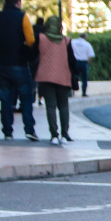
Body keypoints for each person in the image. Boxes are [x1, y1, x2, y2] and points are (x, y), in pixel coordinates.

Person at [0, 0, 37, 140]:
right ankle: (29, 129)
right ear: (18, 2)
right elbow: (31, 40)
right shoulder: (22, 17)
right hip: (19, 63)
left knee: (5, 99)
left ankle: (7, 131)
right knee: (26, 97)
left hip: (1, 64)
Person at [34, 16, 77, 144]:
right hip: (63, 77)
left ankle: (54, 135)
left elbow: (32, 55)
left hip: (45, 77)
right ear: (59, 27)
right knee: (63, 106)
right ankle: (65, 134)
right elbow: (72, 61)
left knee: (50, 106)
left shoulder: (40, 38)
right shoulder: (66, 41)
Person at [69, 30, 94, 96]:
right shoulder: (87, 44)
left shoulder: (73, 42)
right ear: (85, 37)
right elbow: (91, 55)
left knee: (73, 76)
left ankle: (71, 92)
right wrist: (87, 62)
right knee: (84, 78)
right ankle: (84, 92)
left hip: (74, 62)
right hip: (83, 62)